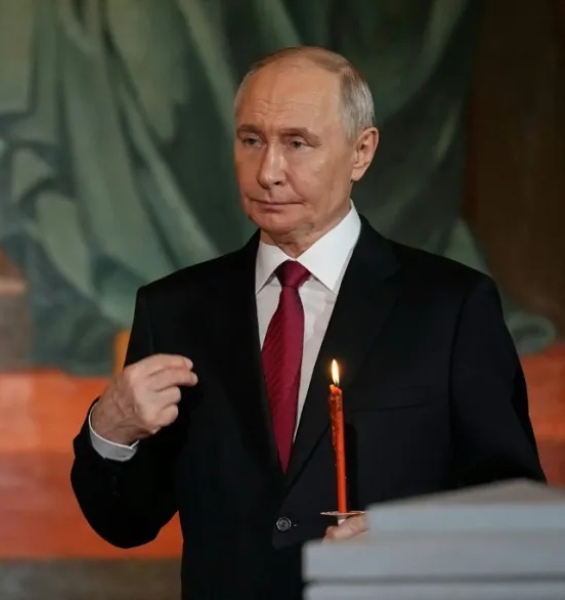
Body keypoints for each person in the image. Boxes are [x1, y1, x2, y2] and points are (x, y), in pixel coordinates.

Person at [69, 46, 546, 599]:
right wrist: (111, 430)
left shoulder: (451, 306)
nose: (268, 172)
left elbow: (515, 512)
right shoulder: (174, 309)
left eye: (297, 143)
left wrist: (416, 543)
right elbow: (124, 523)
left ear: (361, 152)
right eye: (252, 140)